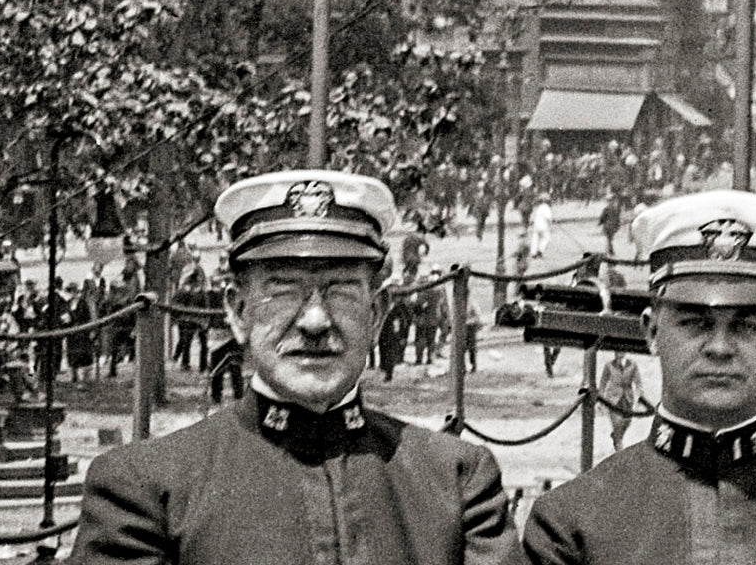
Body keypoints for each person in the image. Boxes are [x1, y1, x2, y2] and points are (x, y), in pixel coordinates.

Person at [69, 170, 521, 565]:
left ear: (378, 313)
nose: (315, 322)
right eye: (284, 291)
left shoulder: (456, 483)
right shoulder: (148, 491)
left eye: (341, 290)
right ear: (237, 312)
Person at [519, 190, 756, 564]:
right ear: (651, 332)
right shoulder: (572, 526)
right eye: (695, 323)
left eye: (746, 326)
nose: (719, 347)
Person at [598, 351, 643, 451]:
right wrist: (600, 400)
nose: (620, 353)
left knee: (627, 421)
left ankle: (616, 436)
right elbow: (603, 383)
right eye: (617, 351)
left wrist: (640, 396)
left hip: (627, 399)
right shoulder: (609, 365)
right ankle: (619, 449)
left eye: (622, 351)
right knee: (617, 424)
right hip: (613, 399)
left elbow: (638, 382)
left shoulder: (632, 365)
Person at [530, 192, 553, 259]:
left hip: (536, 225)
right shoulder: (547, 208)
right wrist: (550, 225)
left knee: (535, 239)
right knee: (546, 238)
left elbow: (533, 217)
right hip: (543, 226)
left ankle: (533, 253)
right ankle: (540, 250)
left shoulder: (538, 207)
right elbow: (548, 218)